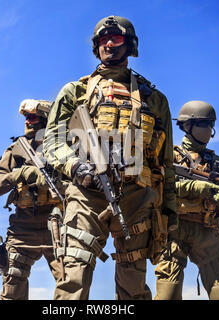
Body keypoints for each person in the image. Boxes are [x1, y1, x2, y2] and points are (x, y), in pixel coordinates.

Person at [43, 15, 176, 300]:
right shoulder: (75, 91)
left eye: (116, 39)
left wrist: (170, 213)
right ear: (96, 47)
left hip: (137, 195)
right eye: (103, 40)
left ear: (130, 45)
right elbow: (53, 140)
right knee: (74, 275)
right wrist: (75, 166)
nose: (109, 44)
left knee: (133, 282)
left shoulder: (155, 99)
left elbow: (165, 163)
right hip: (87, 191)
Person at [154, 100, 219, 300]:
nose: (208, 130)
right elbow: (159, 185)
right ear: (187, 126)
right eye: (204, 124)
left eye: (211, 125)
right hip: (174, 229)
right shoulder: (170, 155)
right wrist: (198, 187)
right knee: (168, 293)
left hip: (209, 231)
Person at [0, 99, 62, 300]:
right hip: (23, 227)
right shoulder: (17, 149)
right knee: (13, 281)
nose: (27, 122)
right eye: (26, 118)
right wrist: (19, 175)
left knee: (71, 282)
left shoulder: (65, 145)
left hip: (58, 224)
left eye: (33, 117)